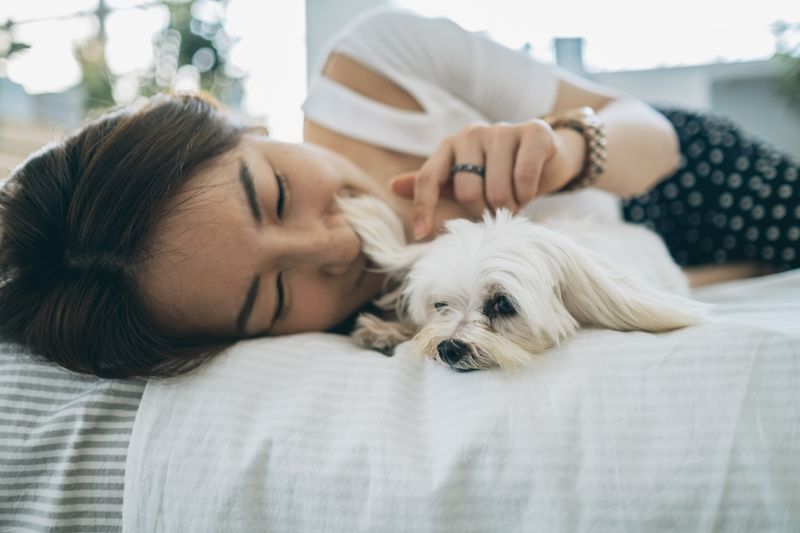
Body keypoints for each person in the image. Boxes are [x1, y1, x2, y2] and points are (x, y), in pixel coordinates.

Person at [0, 8, 797, 379]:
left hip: (674, 178)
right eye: (277, 296)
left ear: (230, 121)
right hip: (662, 269)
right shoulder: (373, 326)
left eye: (275, 193)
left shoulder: (380, 61)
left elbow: (652, 138)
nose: (334, 246)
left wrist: (558, 152)